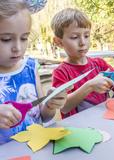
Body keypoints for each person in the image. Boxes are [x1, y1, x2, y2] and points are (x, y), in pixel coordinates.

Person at [51, 8, 114, 118]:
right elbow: (64, 107)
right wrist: (90, 85)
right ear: (59, 42)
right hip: (78, 129)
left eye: (86, 35)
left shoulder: (99, 64)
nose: (82, 42)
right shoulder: (61, 72)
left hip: (103, 122)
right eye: (74, 37)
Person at [0, 0, 67, 144]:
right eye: (5, 39)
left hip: (36, 150)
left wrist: (50, 105)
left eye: (24, 38)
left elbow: (44, 116)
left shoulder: (30, 68)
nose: (17, 47)